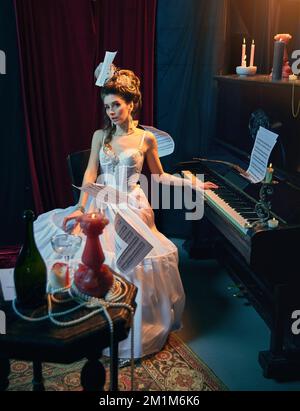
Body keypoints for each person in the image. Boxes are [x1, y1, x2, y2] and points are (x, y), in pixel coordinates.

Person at [34, 67, 217, 360]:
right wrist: (81, 208)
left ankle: (129, 320)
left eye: (116, 104)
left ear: (131, 103)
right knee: (89, 249)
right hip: (102, 199)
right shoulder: (100, 136)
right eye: (107, 106)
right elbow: (91, 174)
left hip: (132, 203)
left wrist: (193, 183)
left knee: (136, 258)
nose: (111, 112)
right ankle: (92, 322)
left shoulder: (146, 139)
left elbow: (159, 176)